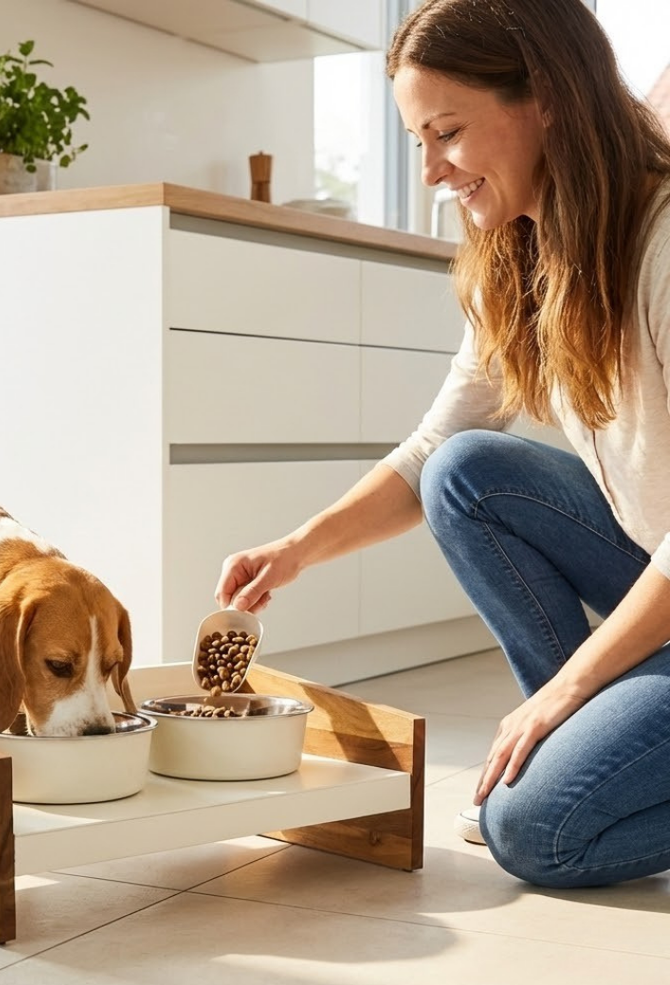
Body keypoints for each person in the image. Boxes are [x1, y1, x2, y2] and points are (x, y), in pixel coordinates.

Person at [215, 0, 670, 889]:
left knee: (534, 834)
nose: (430, 171)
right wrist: (296, 550)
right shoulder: (527, 257)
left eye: (447, 132)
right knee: (470, 474)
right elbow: (436, 450)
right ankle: (575, 748)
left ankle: (566, 753)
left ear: (545, 98)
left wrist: (566, 688)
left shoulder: (661, 246)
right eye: (417, 140)